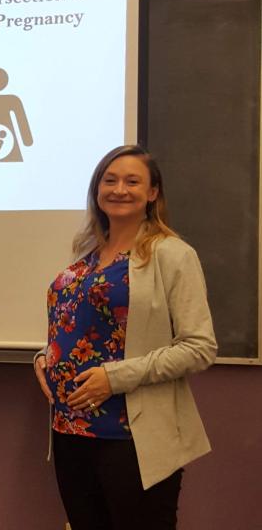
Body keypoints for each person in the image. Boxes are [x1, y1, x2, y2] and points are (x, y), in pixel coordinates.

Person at [33, 145, 216, 530]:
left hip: (132, 436)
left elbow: (199, 348)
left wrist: (113, 377)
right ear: (97, 190)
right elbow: (77, 328)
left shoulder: (172, 255)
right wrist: (42, 359)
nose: (119, 189)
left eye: (133, 181)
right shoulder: (85, 256)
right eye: (109, 180)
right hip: (70, 430)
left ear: (152, 193)